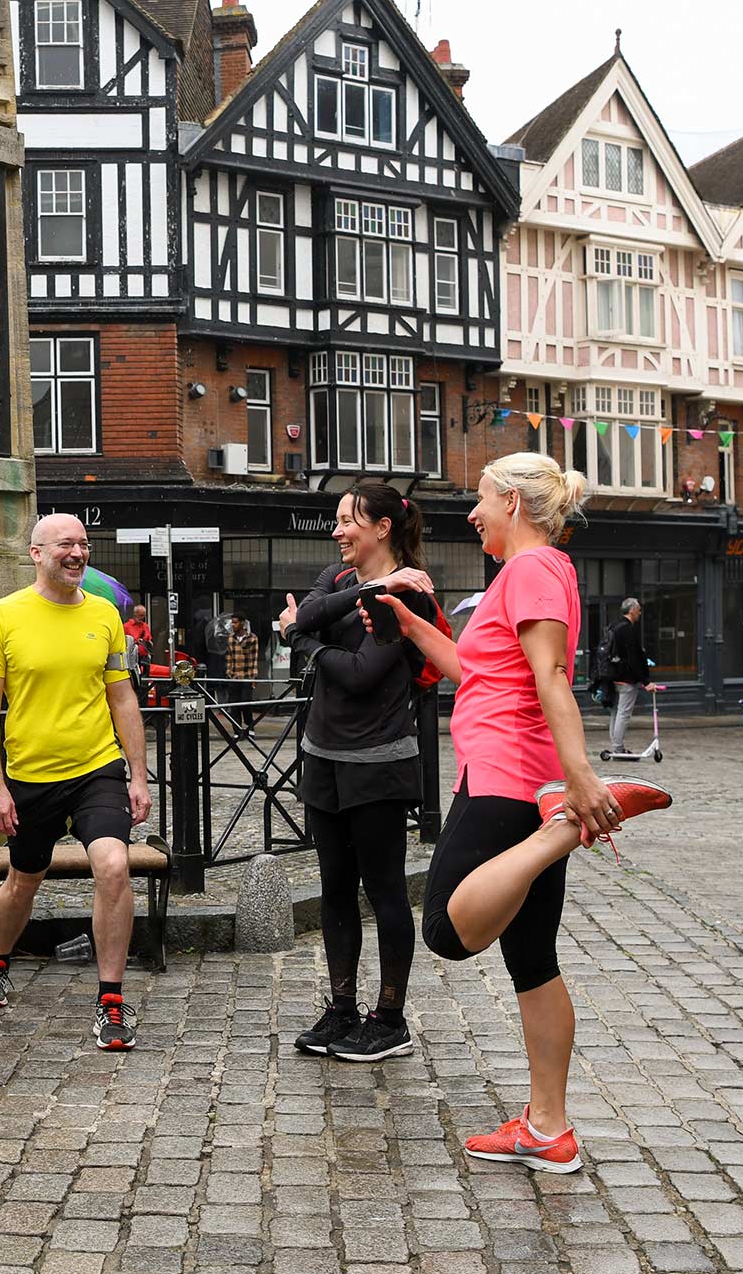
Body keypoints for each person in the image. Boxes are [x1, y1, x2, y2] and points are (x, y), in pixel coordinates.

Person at [368, 452, 672, 1174]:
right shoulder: (532, 572)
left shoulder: (534, 570)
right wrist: (412, 626)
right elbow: (480, 672)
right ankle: (548, 1127)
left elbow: (551, 677)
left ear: (511, 500)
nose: (471, 513)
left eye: (479, 498)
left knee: (444, 927)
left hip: (507, 780)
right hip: (522, 777)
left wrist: (581, 782)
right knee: (532, 961)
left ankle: (564, 830)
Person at [0, 514, 152, 1050]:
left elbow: (122, 697)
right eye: (66, 544)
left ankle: (112, 1001)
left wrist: (138, 776)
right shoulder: (2, 616)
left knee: (114, 867)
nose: (78, 553)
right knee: (23, 881)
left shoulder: (105, 616)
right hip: (30, 776)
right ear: (35, 553)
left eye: (84, 544)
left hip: (97, 769)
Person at [278, 483, 438, 1063]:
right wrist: (357, 597)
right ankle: (342, 1007)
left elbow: (360, 674)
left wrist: (303, 640)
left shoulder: (411, 596)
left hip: (378, 766)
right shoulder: (344, 580)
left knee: (386, 892)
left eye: (349, 521)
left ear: (383, 529)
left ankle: (389, 1019)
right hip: (323, 758)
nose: (338, 531)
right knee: (335, 889)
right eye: (337, 519)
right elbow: (314, 609)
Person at [597, 597, 649, 755]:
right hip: (626, 678)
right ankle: (618, 747)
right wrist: (645, 680)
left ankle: (616, 744)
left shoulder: (614, 626)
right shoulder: (628, 630)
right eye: (638, 610)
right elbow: (633, 657)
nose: (640, 613)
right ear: (632, 610)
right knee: (624, 713)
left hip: (614, 675)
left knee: (616, 711)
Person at [224, 612, 260, 734]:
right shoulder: (230, 638)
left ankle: (250, 727)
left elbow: (254, 658)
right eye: (232, 622)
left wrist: (254, 677)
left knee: (246, 703)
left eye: (236, 622)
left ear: (242, 623)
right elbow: (229, 656)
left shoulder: (252, 638)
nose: (233, 625)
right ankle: (237, 730)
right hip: (234, 677)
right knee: (234, 706)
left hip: (246, 676)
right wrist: (229, 672)